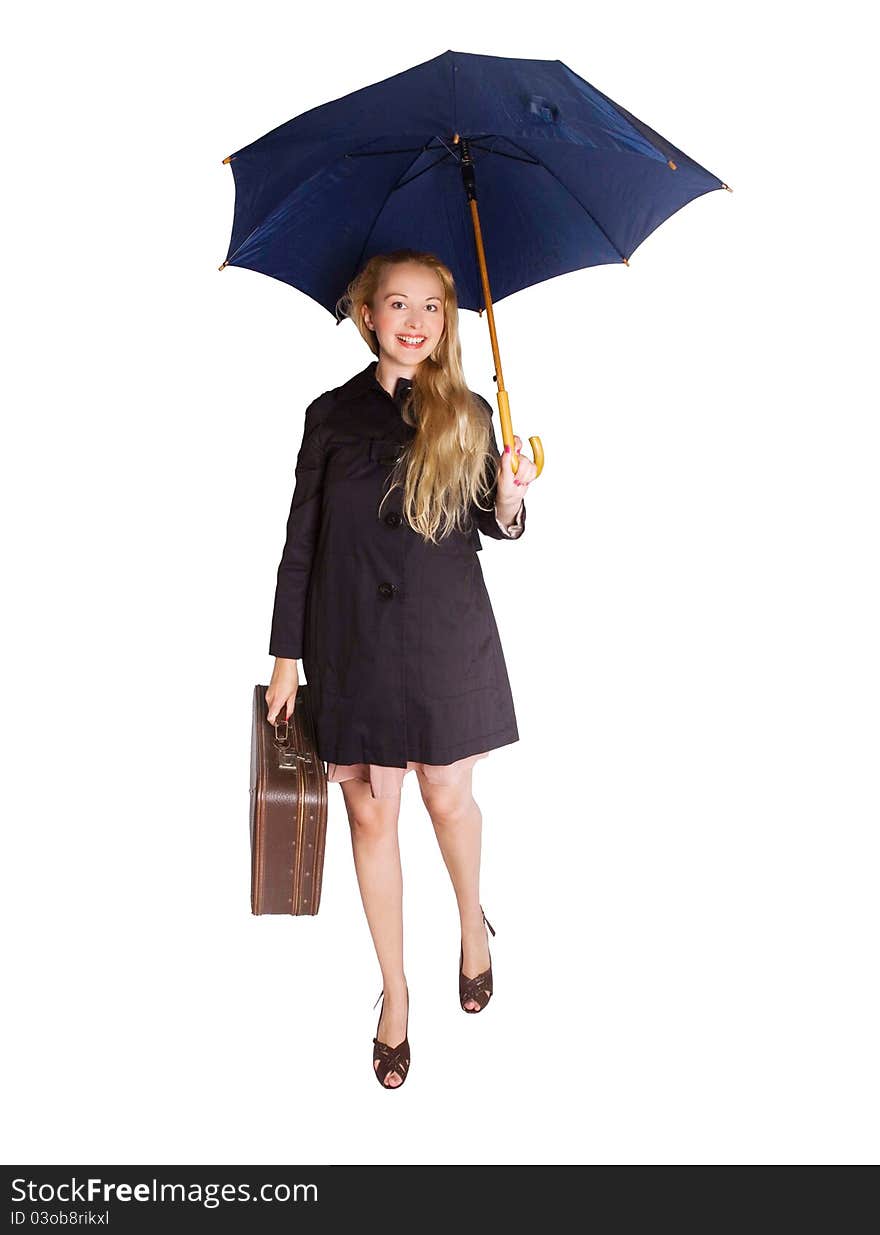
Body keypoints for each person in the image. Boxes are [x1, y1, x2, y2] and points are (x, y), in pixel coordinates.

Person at [264, 249, 538, 1088]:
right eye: (397, 304)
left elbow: (496, 525)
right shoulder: (330, 416)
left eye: (431, 307)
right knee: (372, 819)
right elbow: (301, 542)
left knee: (448, 797)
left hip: (446, 638)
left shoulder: (469, 411)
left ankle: (471, 924)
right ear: (367, 314)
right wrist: (284, 656)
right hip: (353, 646)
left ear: (446, 319)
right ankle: (393, 991)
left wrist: (514, 491)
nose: (415, 322)